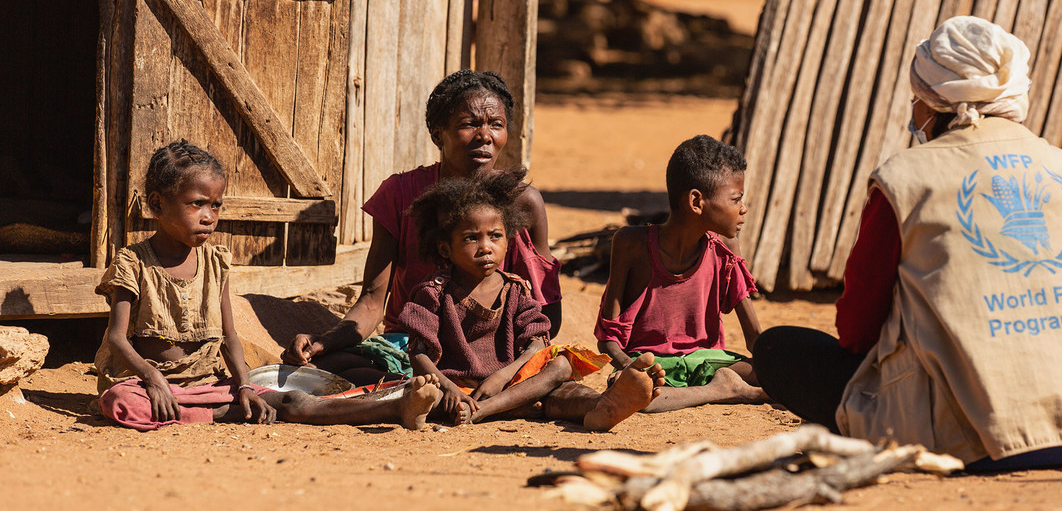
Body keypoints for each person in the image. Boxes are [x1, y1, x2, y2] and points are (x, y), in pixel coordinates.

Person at [752, 16, 1062, 471]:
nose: (913, 112)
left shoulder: (904, 179)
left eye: (916, 99)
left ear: (934, 103)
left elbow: (857, 329)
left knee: (777, 349)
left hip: (975, 442)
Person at [94, 140, 443, 431]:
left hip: (208, 384)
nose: (209, 216)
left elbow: (230, 337)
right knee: (121, 402)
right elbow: (117, 338)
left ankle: (395, 406)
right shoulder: (132, 262)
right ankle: (221, 414)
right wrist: (152, 377)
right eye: (197, 204)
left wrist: (244, 385)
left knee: (293, 399)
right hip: (145, 384)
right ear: (157, 204)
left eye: (216, 206)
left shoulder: (216, 263)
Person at [281, 70, 563, 386]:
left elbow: (547, 314)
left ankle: (419, 393)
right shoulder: (401, 195)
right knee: (328, 366)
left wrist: (504, 355)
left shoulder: (523, 202)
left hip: (495, 349)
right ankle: (422, 391)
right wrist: (326, 340)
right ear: (437, 134)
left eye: (496, 124)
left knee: (557, 373)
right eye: (469, 124)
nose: (485, 136)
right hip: (413, 346)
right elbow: (372, 301)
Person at [402, 170, 666, 429]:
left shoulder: (515, 289)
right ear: (445, 248)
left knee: (560, 368)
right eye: (471, 238)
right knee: (425, 394)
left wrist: (504, 375)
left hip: (514, 383)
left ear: (508, 240)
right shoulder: (434, 293)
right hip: (459, 389)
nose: (485, 247)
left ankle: (602, 405)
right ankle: (497, 408)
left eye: (495, 236)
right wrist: (448, 387)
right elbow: (418, 353)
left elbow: (536, 341)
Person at [594, 135, 770, 412]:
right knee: (635, 390)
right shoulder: (631, 244)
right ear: (696, 201)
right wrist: (632, 367)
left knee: (768, 373)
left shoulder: (725, 246)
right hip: (652, 364)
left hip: (708, 363)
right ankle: (726, 390)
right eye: (736, 199)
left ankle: (724, 386)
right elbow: (607, 340)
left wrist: (779, 369)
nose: (743, 208)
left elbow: (754, 336)